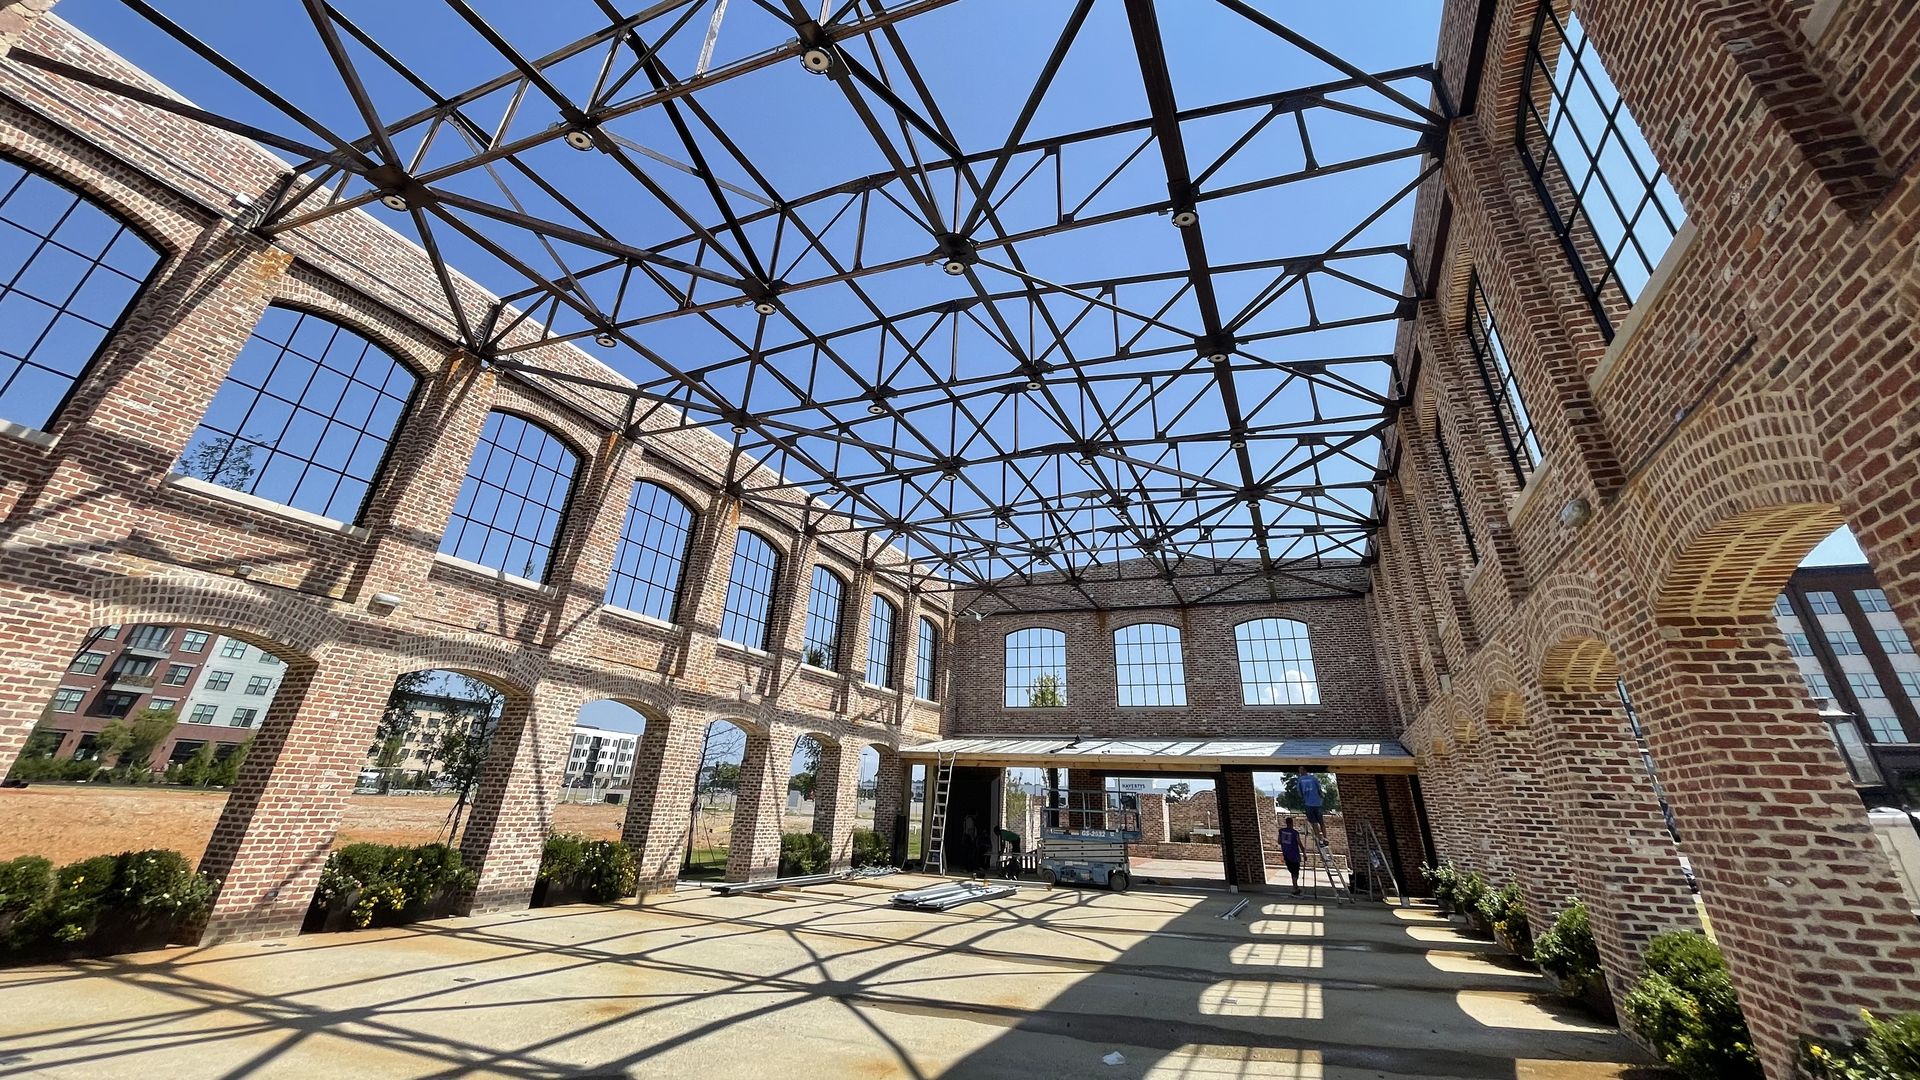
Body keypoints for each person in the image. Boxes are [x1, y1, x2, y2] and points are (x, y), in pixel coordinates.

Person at [1296, 767, 1326, 842]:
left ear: (1303, 770)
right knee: (1321, 822)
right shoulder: (1313, 778)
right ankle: (1325, 838)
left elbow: (1299, 793)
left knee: (1314, 822)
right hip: (1317, 803)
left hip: (1308, 804)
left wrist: (1304, 797)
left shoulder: (1300, 780)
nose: (1300, 772)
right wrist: (1321, 797)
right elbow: (1319, 790)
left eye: (1300, 770)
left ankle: (1320, 839)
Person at [1278, 816, 1304, 895]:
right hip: (1295, 855)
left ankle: (1295, 887)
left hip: (1286, 855)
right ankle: (1295, 887)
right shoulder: (1295, 833)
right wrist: (1304, 852)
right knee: (1295, 872)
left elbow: (1279, 841)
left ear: (1286, 823)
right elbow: (1299, 843)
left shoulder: (1281, 831)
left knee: (1292, 871)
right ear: (1292, 823)